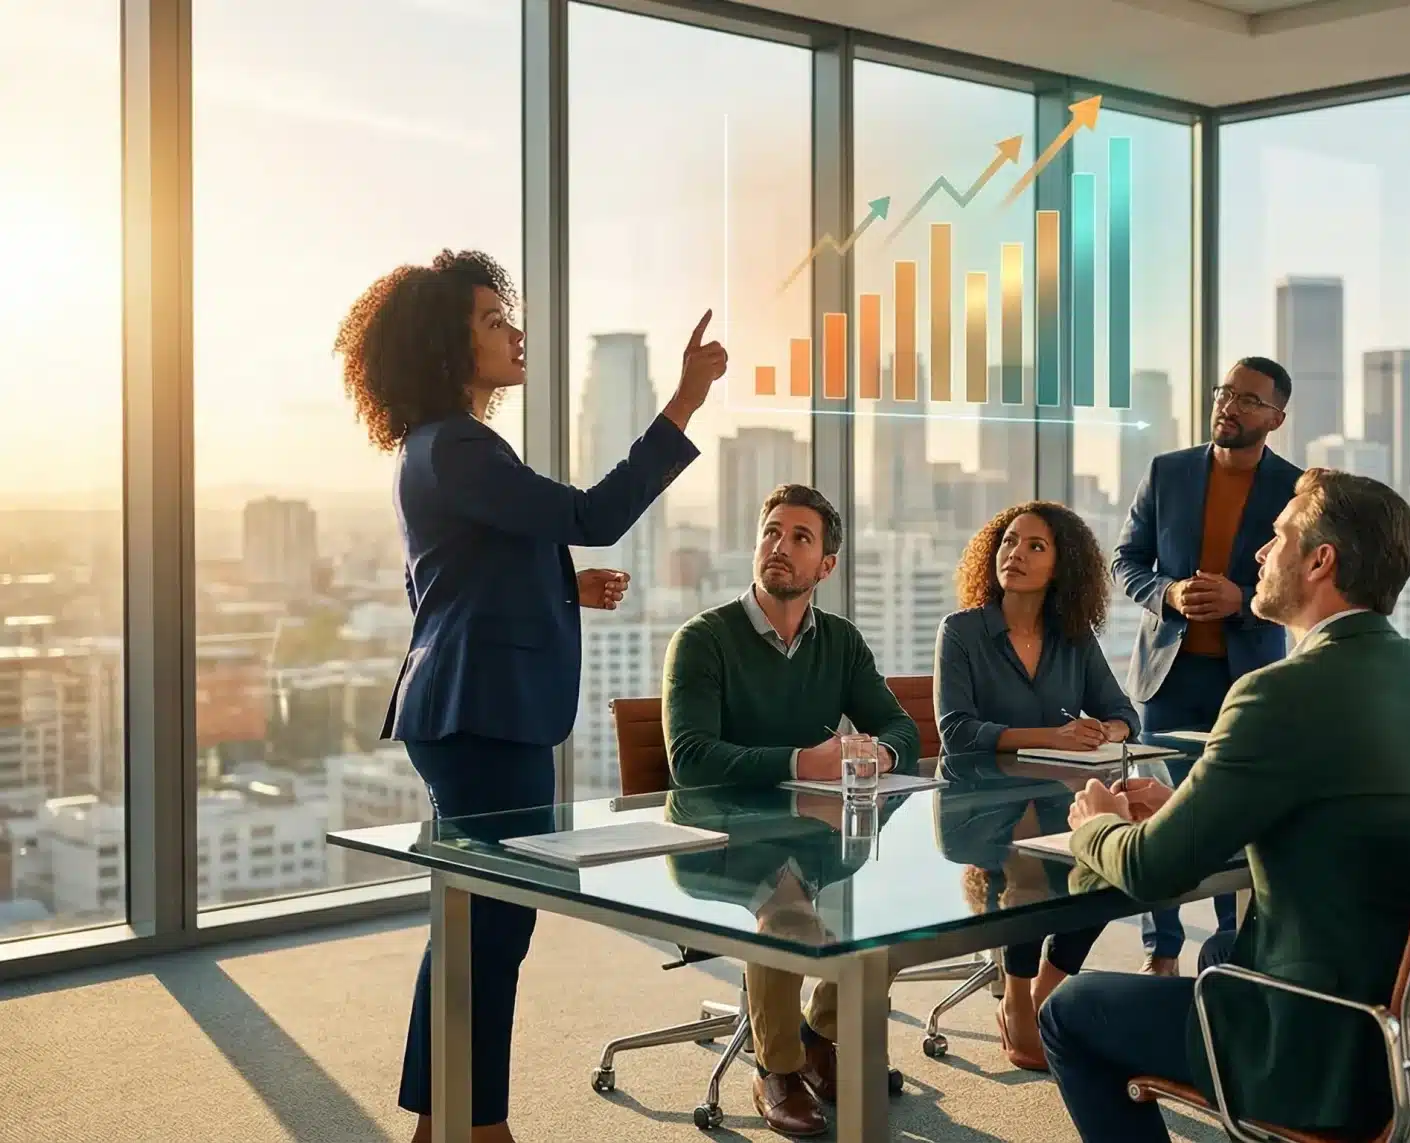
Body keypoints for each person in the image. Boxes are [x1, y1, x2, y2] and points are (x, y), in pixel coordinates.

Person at [341, 250, 724, 1143]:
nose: (514, 334)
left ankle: (447, 1125)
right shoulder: (459, 444)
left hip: (467, 704)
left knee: (477, 923)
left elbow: (445, 580)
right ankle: (479, 1127)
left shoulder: (432, 448)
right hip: (482, 713)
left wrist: (561, 588)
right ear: (447, 345)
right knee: (492, 926)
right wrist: (683, 403)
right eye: (492, 321)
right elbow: (591, 515)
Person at [1042, 469, 1410, 1143]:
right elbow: (1340, 814)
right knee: (1223, 950)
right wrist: (1189, 805)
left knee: (1071, 1009)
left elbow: (1152, 871)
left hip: (1326, 1042)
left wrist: (1096, 824)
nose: (1258, 553)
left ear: (1320, 560)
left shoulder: (1278, 693)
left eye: (1277, 536)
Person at [663, 483, 921, 1139]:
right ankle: (775, 1066)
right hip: (717, 841)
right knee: (783, 910)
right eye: (772, 532)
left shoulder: (840, 641)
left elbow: (902, 728)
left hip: (814, 836)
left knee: (904, 912)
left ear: (825, 566)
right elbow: (690, 758)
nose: (780, 545)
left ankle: (820, 1034)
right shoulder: (702, 639)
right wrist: (803, 762)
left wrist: (877, 754)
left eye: (800, 537)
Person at [1113, 356, 1303, 975]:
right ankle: (1161, 949)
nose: (1230, 405)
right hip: (1166, 676)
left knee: (1233, 814)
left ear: (1275, 418)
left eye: (1249, 400)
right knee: (1154, 811)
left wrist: (1241, 601)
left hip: (1245, 682)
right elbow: (1126, 561)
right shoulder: (1166, 472)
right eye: (1226, 392)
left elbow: (1302, 586)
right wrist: (1167, 592)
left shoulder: (1296, 489)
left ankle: (1230, 949)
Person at [933, 502, 1140, 1070]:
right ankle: (1018, 1001)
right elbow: (957, 732)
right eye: (1008, 542)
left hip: (1054, 800)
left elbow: (1124, 712)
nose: (1015, 554)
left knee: (1116, 869)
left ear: (1061, 565)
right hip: (977, 804)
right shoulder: (963, 631)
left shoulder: (1073, 637)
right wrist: (1053, 736)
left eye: (1034, 546)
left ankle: (1043, 989)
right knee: (1028, 862)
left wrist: (1108, 730)